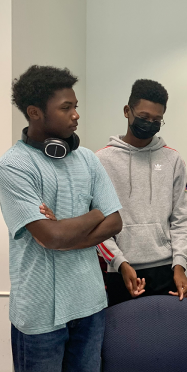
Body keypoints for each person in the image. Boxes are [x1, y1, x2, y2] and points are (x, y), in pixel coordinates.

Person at [0, 65, 122, 371]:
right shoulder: (14, 165)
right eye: (66, 108)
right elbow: (50, 236)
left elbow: (115, 221)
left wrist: (65, 234)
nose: (76, 115)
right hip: (40, 315)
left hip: (90, 305)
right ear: (35, 112)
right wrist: (95, 215)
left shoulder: (88, 159)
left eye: (75, 107)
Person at [96, 79, 187, 306]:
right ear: (127, 111)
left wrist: (179, 266)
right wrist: (119, 262)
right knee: (123, 339)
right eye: (143, 117)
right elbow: (97, 224)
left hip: (166, 270)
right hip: (120, 270)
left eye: (157, 120)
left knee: (164, 339)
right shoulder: (101, 160)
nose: (149, 123)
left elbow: (182, 219)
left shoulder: (173, 159)